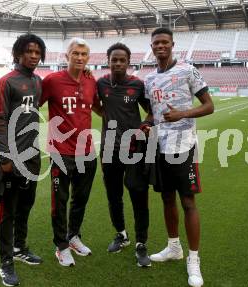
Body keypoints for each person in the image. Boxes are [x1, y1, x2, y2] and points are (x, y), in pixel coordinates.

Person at [143, 27, 214, 287]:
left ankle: (193, 259)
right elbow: (154, 112)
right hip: (160, 146)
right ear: (151, 47)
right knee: (166, 198)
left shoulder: (187, 70)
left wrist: (183, 114)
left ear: (172, 45)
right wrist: (146, 122)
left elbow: (209, 106)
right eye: (156, 43)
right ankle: (174, 247)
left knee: (188, 202)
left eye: (164, 42)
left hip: (184, 146)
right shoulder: (149, 79)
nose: (160, 46)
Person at [40, 38, 101, 267]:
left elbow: (96, 106)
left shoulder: (90, 80)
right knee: (60, 202)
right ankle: (61, 246)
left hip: (86, 151)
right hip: (61, 152)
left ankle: (73, 236)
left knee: (80, 200)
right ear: (67, 56)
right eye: (75, 53)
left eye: (84, 54)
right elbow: (33, 105)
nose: (80, 57)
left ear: (88, 58)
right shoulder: (53, 81)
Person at [0, 33, 46, 287]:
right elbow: (0, 120)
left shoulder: (37, 81)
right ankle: (6, 263)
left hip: (32, 156)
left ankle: (20, 247)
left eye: (37, 52)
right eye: (29, 51)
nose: (34, 56)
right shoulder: (6, 82)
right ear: (18, 53)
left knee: (26, 206)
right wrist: (4, 156)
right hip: (11, 159)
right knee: (7, 212)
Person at [97, 43, 151, 267]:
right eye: (114, 59)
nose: (118, 63)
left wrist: (145, 124)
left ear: (128, 62)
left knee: (138, 194)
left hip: (134, 148)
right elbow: (92, 103)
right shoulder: (100, 83)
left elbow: (151, 109)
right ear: (108, 61)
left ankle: (141, 243)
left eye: (122, 60)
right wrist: (106, 115)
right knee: (113, 194)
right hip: (109, 148)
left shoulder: (137, 85)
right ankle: (121, 234)